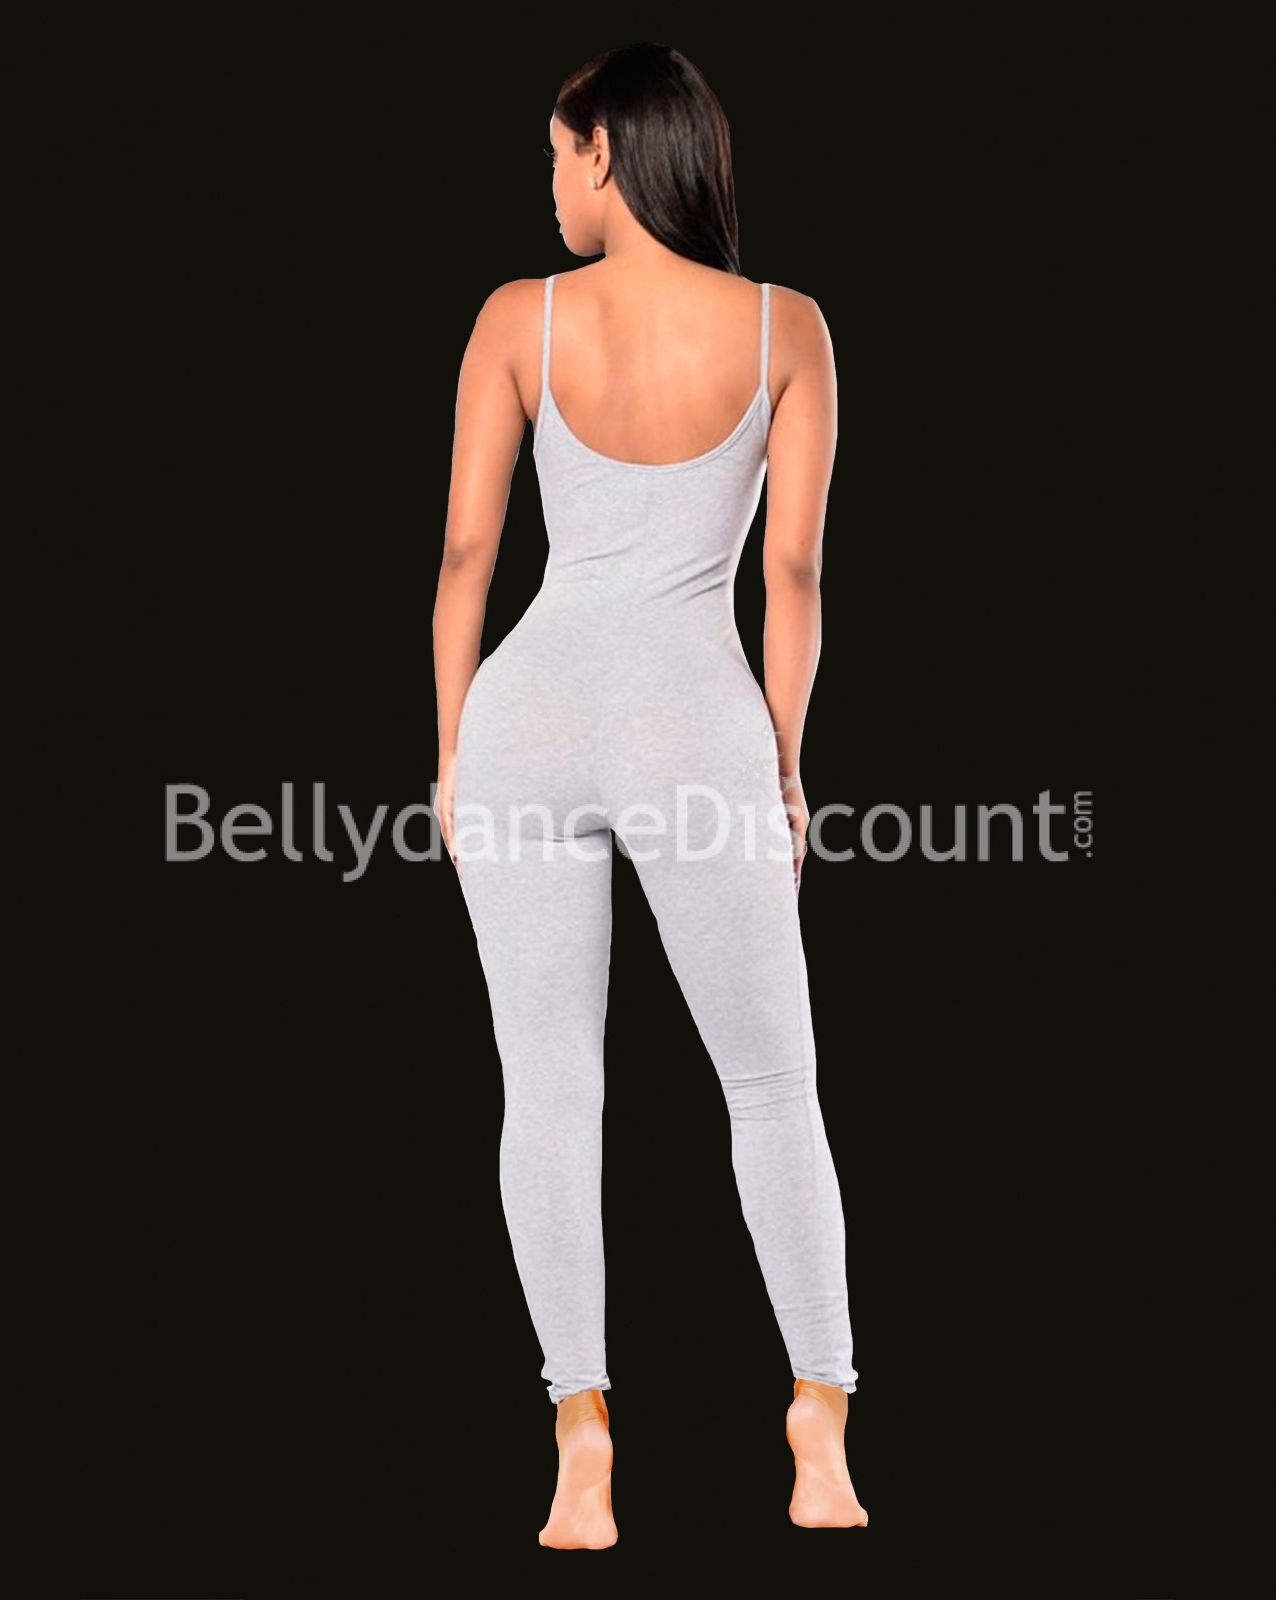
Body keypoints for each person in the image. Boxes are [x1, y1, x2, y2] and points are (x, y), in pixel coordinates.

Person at [432, 42, 866, 1547]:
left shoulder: (518, 318)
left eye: (556, 155)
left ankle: (580, 1437)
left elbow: (465, 563)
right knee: (771, 1084)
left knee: (551, 1088)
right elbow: (794, 576)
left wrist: (450, 756)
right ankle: (819, 1427)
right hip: (696, 721)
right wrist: (783, 765)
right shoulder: (787, 327)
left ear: (605, 152)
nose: (549, 185)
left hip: (531, 716)